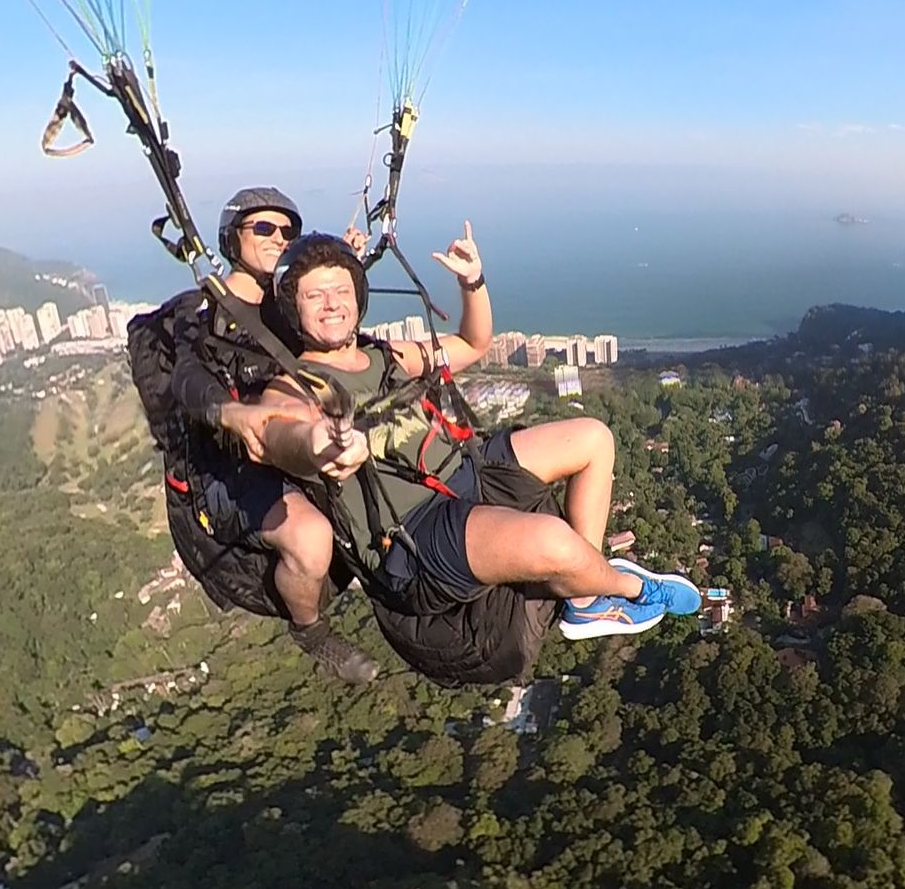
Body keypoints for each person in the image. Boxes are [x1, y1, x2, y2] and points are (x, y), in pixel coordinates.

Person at [213, 225, 699, 658]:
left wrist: (473, 282)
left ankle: (586, 599)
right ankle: (628, 588)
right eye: (315, 296)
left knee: (593, 439)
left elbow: (472, 344)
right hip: (413, 536)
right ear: (292, 308)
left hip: (464, 469)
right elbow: (279, 431)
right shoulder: (295, 385)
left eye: (341, 289)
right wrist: (323, 442)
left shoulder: (383, 356)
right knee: (555, 542)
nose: (332, 303)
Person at [129, 188, 382, 686]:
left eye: (288, 231)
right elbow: (186, 378)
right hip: (231, 464)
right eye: (263, 228)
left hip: (296, 440)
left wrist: (338, 261)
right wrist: (231, 415)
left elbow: (327, 329)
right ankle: (310, 631)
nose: (278, 238)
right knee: (311, 540)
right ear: (231, 238)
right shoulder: (199, 312)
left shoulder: (284, 308)